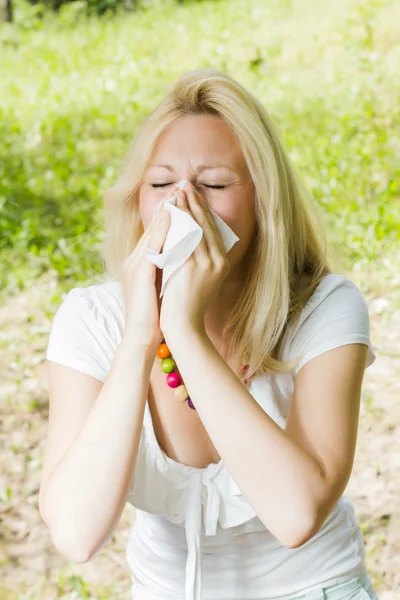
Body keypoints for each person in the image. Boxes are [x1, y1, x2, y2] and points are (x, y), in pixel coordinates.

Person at [39, 68, 379, 600]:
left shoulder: (327, 308)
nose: (181, 206)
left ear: (264, 206)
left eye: (213, 185)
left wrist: (185, 332)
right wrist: (138, 338)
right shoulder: (91, 320)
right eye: (159, 184)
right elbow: (75, 533)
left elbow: (296, 516)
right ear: (136, 200)